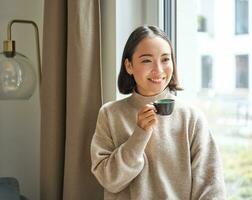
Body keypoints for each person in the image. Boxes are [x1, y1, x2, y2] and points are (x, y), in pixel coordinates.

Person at [90, 25, 226, 199]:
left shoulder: (191, 117)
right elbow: (110, 180)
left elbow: (212, 189)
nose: (159, 70)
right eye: (147, 60)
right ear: (129, 65)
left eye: (165, 59)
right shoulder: (110, 114)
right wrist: (139, 135)